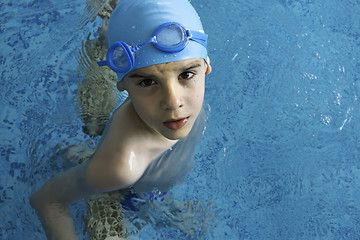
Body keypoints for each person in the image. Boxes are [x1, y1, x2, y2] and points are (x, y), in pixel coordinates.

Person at [30, 0, 212, 239]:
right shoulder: (120, 166)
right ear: (123, 84)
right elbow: (47, 200)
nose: (173, 102)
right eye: (147, 82)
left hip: (145, 180)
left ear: (207, 67)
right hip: (108, 186)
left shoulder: (190, 107)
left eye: (186, 74)